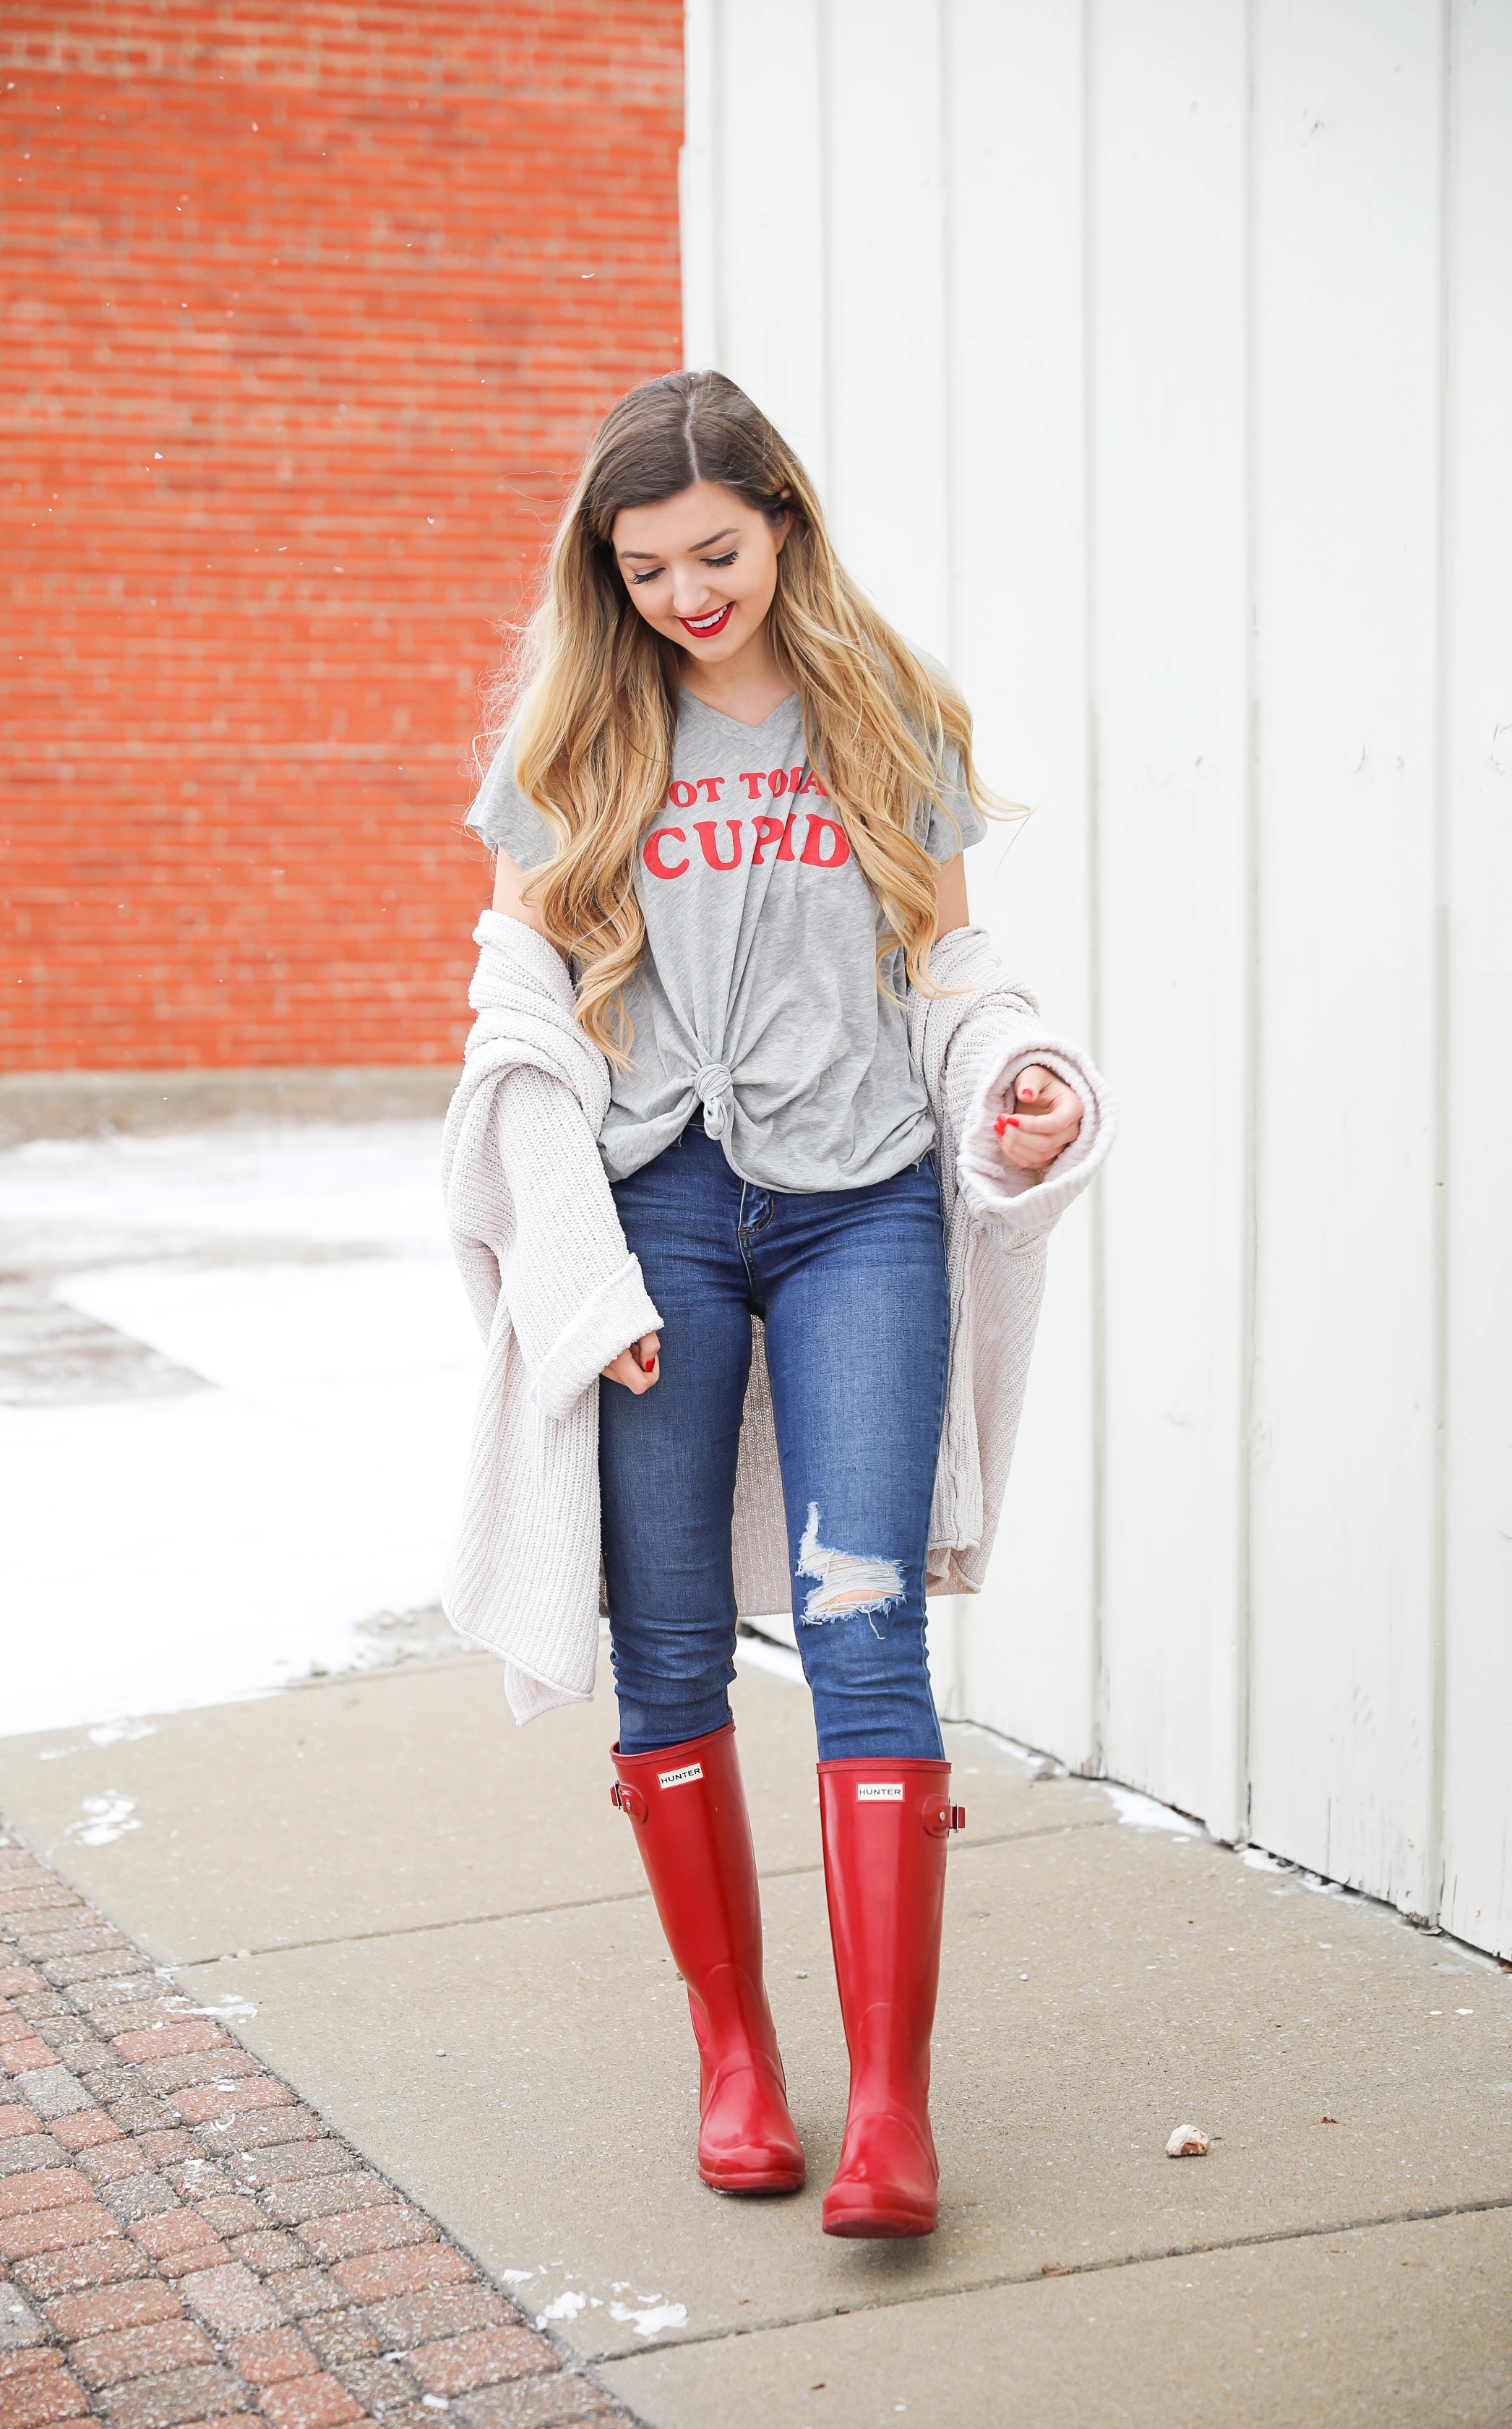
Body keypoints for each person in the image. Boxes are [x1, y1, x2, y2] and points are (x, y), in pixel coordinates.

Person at [455, 369, 1106, 2240]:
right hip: (660, 1222)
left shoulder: (874, 711)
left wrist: (1017, 1078)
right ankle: (737, 2059)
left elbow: (950, 954)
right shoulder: (580, 735)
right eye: (645, 565)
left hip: (864, 1218)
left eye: (715, 553)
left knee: (865, 1626)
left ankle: (892, 2113)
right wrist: (579, 1268)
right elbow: (515, 1011)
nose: (684, 595)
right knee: (665, 1649)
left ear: (786, 525)